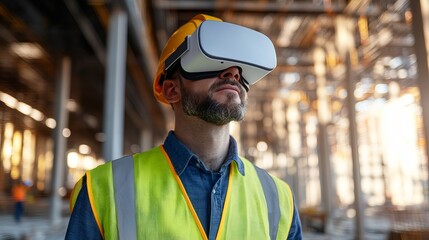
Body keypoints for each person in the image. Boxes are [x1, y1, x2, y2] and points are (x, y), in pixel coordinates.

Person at [66, 14, 302, 239]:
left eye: (238, 67)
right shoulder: (103, 190)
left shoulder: (279, 200)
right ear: (172, 90)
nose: (233, 73)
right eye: (212, 60)